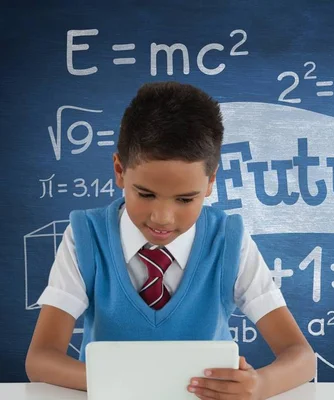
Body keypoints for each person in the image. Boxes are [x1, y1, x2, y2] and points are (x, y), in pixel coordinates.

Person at [25, 81, 316, 399]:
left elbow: (301, 358)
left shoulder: (228, 240)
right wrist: (139, 382)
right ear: (120, 170)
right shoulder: (86, 237)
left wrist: (261, 385)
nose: (162, 217)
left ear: (210, 183)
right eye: (145, 194)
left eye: (185, 199)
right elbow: (40, 360)